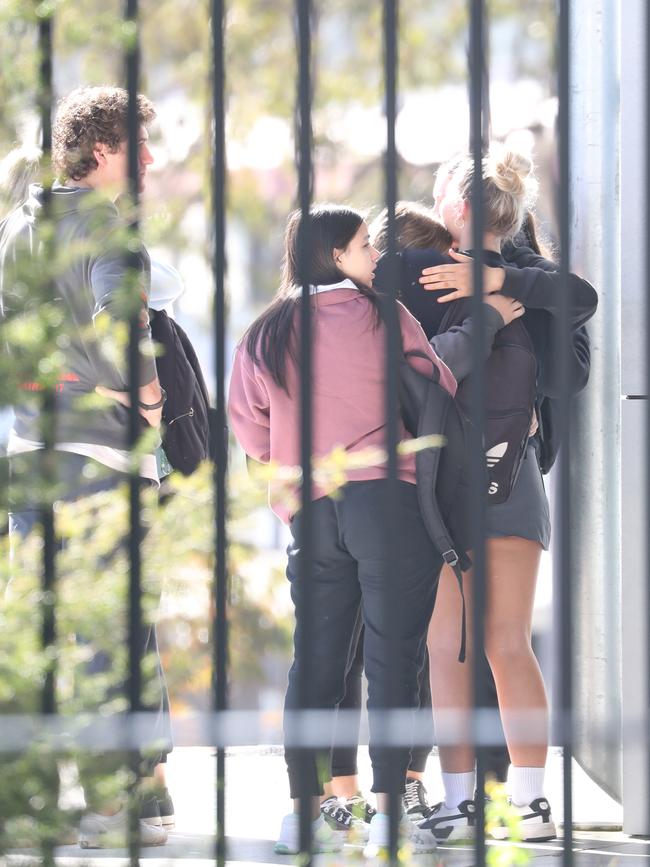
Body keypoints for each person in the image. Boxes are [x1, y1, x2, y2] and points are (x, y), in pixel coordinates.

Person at [228, 204, 455, 856]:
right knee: (394, 659)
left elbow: (249, 428)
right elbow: (437, 381)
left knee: (316, 662)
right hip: (389, 501)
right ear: (334, 255)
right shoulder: (384, 315)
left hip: (311, 506)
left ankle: (304, 811)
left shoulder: (267, 331)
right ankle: (388, 814)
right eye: (363, 246)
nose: (375, 257)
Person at [1, 86, 169, 848]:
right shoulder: (110, 225)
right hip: (104, 456)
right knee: (112, 629)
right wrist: (144, 390)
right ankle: (117, 804)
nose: (152, 162)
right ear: (102, 150)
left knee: (40, 629)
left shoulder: (14, 230)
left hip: (31, 453)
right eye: (142, 146)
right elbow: (119, 323)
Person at [415, 149, 597, 842]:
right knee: (506, 643)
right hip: (513, 474)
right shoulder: (543, 286)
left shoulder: (420, 274)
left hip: (438, 483)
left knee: (448, 647)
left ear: (457, 207)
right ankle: (530, 801)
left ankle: (459, 802)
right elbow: (579, 313)